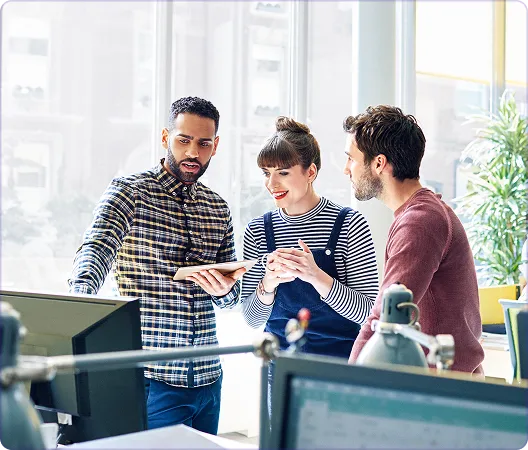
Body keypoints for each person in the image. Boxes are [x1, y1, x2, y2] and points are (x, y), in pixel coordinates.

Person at [69, 97, 245, 434]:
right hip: (154, 380)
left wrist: (225, 291)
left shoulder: (218, 208)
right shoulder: (130, 193)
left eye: (203, 143)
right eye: (183, 140)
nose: (193, 152)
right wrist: (79, 306)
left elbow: (229, 298)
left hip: (209, 381)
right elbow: (96, 249)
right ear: (165, 137)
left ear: (216, 145)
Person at [241, 117, 379, 410]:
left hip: (341, 370)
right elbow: (252, 319)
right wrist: (268, 284)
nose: (271, 184)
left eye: (283, 172)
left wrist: (317, 276)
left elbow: (369, 313)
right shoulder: (257, 230)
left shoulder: (348, 224)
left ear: (311, 172)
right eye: (266, 173)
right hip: (281, 372)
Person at [343, 105, 484, 374]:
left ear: (379, 163)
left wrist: (349, 386)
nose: (346, 169)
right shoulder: (422, 212)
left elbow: (386, 318)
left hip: (442, 388)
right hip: (444, 382)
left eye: (351, 158)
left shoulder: (419, 221)